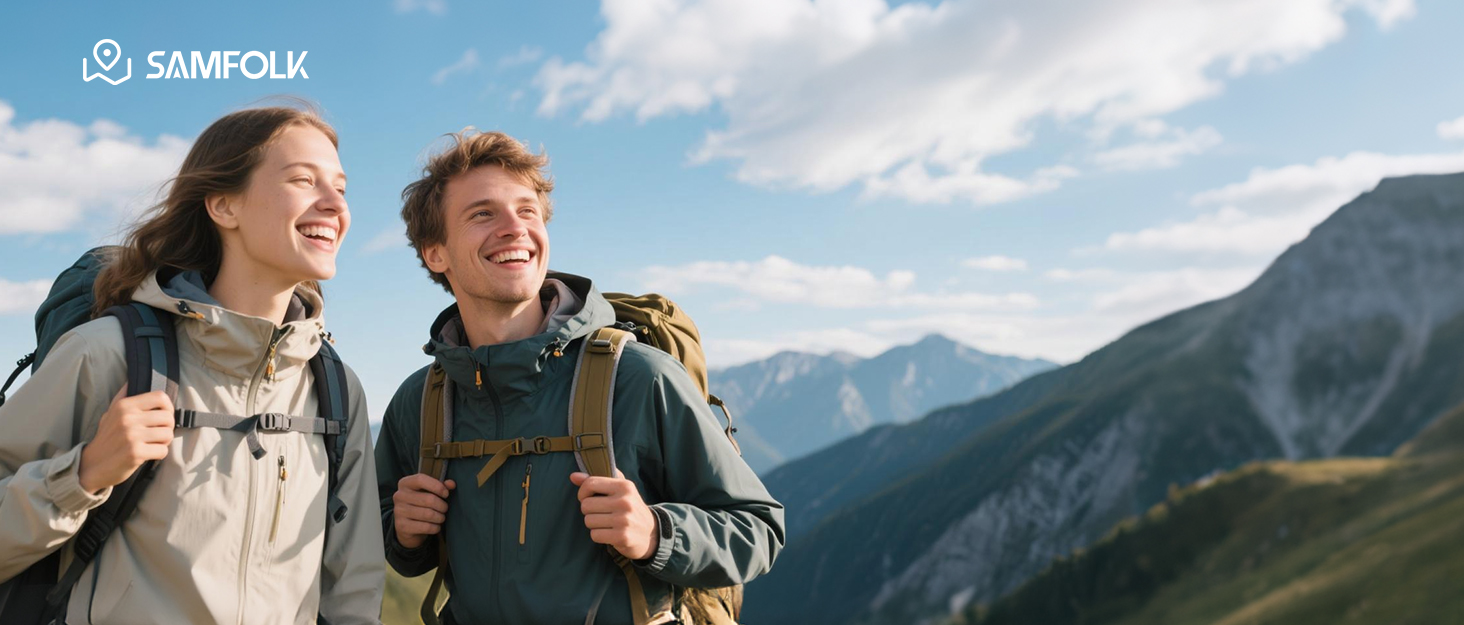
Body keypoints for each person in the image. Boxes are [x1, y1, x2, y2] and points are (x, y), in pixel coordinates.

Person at [374, 129, 784, 624]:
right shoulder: (421, 400)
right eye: (483, 213)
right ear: (435, 253)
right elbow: (393, 547)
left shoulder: (638, 377)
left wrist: (656, 533)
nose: (514, 228)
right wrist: (403, 530)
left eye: (527, 210)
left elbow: (758, 530)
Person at [0, 105, 385, 623]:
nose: (334, 205)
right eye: (302, 180)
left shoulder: (335, 386)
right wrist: (85, 473)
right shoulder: (108, 355)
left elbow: (352, 589)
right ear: (224, 206)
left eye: (340, 188)